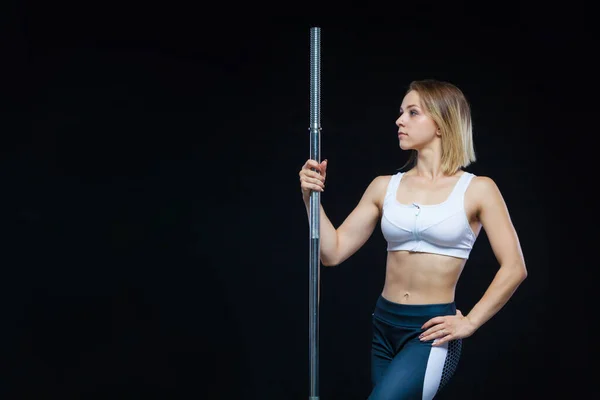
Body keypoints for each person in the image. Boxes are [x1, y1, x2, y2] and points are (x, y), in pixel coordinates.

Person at [298, 79, 527, 399]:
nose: (399, 120)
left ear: (441, 123)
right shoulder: (384, 186)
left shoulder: (478, 189)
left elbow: (515, 267)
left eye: (412, 112)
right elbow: (332, 252)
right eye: (401, 111)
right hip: (383, 327)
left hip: (429, 334)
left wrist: (471, 321)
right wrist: (311, 199)